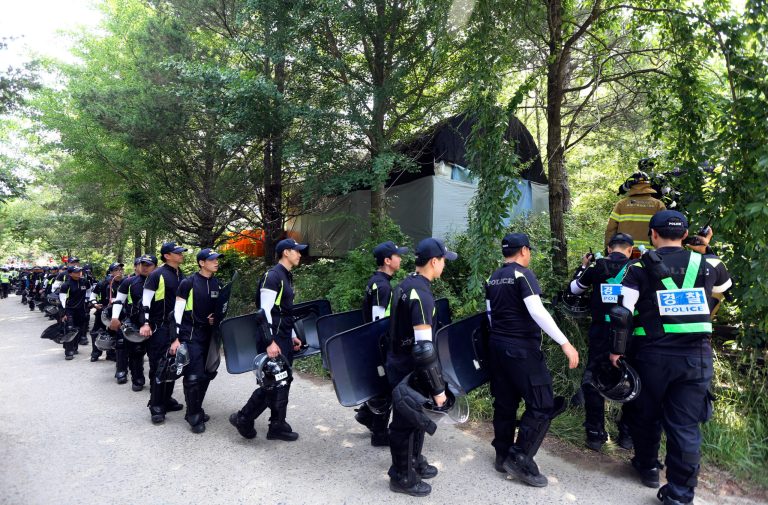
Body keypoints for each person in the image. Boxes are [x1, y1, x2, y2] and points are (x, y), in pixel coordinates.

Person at [609, 210, 732, 505]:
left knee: (647, 413)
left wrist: (616, 351)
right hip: (695, 357)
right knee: (685, 425)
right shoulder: (709, 264)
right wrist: (706, 249)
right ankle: (680, 493)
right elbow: (723, 289)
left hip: (653, 354)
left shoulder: (638, 268)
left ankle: (648, 466)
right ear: (687, 235)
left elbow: (623, 312)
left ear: (653, 234)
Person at [485, 233, 579, 487]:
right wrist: (565, 343)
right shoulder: (522, 275)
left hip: (498, 346)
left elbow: (490, 315)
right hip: (521, 350)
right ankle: (520, 459)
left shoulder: (493, 278)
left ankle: (502, 453)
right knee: (542, 403)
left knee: (504, 402)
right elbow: (537, 311)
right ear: (524, 250)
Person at [385, 237, 456, 497]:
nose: (445, 265)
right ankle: (401, 476)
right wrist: (438, 389)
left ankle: (414, 462)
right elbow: (424, 349)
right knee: (404, 423)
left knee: (415, 418)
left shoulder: (406, 284)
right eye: (444, 261)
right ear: (434, 261)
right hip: (408, 368)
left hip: (400, 362)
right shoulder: (421, 293)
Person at [229, 238, 306, 442]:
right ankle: (244, 418)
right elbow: (263, 313)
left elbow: (283, 311)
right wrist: (270, 342)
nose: (300, 254)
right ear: (286, 253)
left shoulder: (286, 276)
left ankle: (277, 424)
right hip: (271, 338)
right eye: (297, 251)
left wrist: (291, 336)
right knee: (272, 383)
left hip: (282, 336)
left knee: (284, 381)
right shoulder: (272, 276)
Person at [568, 232, 635, 451]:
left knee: (595, 378)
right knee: (631, 379)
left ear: (608, 248)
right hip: (629, 332)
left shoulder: (596, 267)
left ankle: (595, 434)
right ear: (629, 249)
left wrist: (583, 266)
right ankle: (627, 435)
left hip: (600, 330)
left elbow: (574, 289)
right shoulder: (637, 267)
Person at [356, 240, 409, 447]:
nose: (401, 259)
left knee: (380, 386)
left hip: (373, 343)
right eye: (397, 256)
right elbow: (378, 322)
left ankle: (365, 415)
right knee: (385, 387)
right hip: (379, 344)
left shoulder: (376, 281)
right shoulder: (383, 286)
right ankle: (379, 434)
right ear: (388, 261)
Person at [171, 248, 223, 434]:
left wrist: (215, 318)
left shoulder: (217, 283)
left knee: (207, 374)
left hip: (211, 337)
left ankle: (196, 408)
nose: (216, 262)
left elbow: (220, 309)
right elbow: (176, 312)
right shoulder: (188, 283)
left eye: (217, 259)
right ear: (202, 263)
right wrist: (175, 338)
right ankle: (193, 415)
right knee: (193, 376)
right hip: (191, 335)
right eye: (212, 259)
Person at [140, 242, 187, 424]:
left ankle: (166, 399)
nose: (181, 255)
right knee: (159, 366)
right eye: (178, 253)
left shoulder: (181, 275)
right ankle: (156, 406)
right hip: (159, 327)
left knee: (173, 364)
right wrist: (145, 323)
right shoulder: (156, 274)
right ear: (167, 255)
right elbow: (145, 301)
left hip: (177, 328)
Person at [111, 255, 157, 391]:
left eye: (148, 264)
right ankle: (137, 379)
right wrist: (115, 317)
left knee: (156, 354)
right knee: (136, 352)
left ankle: (157, 382)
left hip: (156, 323)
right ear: (137, 266)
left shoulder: (161, 281)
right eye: (142, 264)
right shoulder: (129, 282)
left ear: (155, 266)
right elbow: (119, 300)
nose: (144, 267)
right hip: (135, 322)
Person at [605, 161, 666, 250]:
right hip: (651, 255)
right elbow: (665, 230)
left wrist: (608, 249)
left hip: (624, 252)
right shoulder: (658, 204)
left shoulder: (621, 204)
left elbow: (611, 229)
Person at [58, 266, 92, 360]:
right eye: (76, 272)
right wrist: (63, 313)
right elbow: (62, 299)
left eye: (80, 271)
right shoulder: (66, 285)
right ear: (70, 273)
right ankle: (69, 351)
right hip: (69, 310)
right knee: (70, 329)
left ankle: (74, 347)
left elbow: (89, 291)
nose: (79, 273)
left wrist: (87, 301)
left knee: (79, 329)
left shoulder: (85, 281)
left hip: (81, 309)